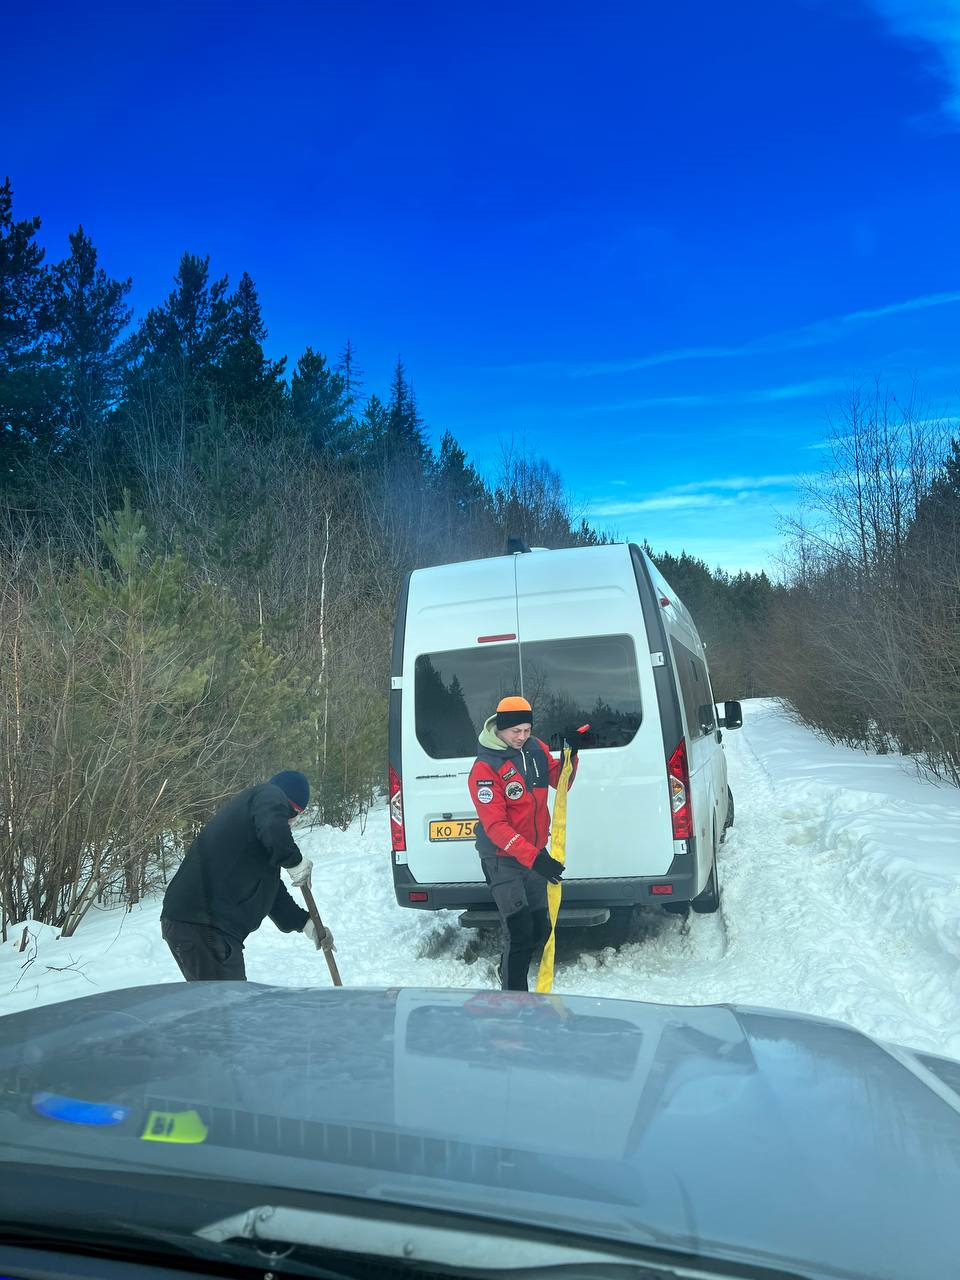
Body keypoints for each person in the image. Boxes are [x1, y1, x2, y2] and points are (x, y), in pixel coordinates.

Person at [161, 770, 334, 981]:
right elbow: (273, 826)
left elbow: (271, 891)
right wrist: (294, 861)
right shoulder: (268, 794)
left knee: (223, 1008)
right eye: (296, 815)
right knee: (228, 1009)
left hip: (202, 927)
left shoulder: (254, 838)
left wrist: (305, 923)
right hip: (203, 924)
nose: (293, 822)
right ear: (290, 808)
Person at [467, 696, 579, 991]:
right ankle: (513, 999)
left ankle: (508, 973)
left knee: (541, 927)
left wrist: (572, 753)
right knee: (520, 933)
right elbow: (496, 827)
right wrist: (536, 858)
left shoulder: (536, 749)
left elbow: (561, 782)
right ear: (500, 728)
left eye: (527, 730)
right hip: (501, 859)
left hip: (532, 855)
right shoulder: (485, 768)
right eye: (516, 731)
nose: (522, 737)